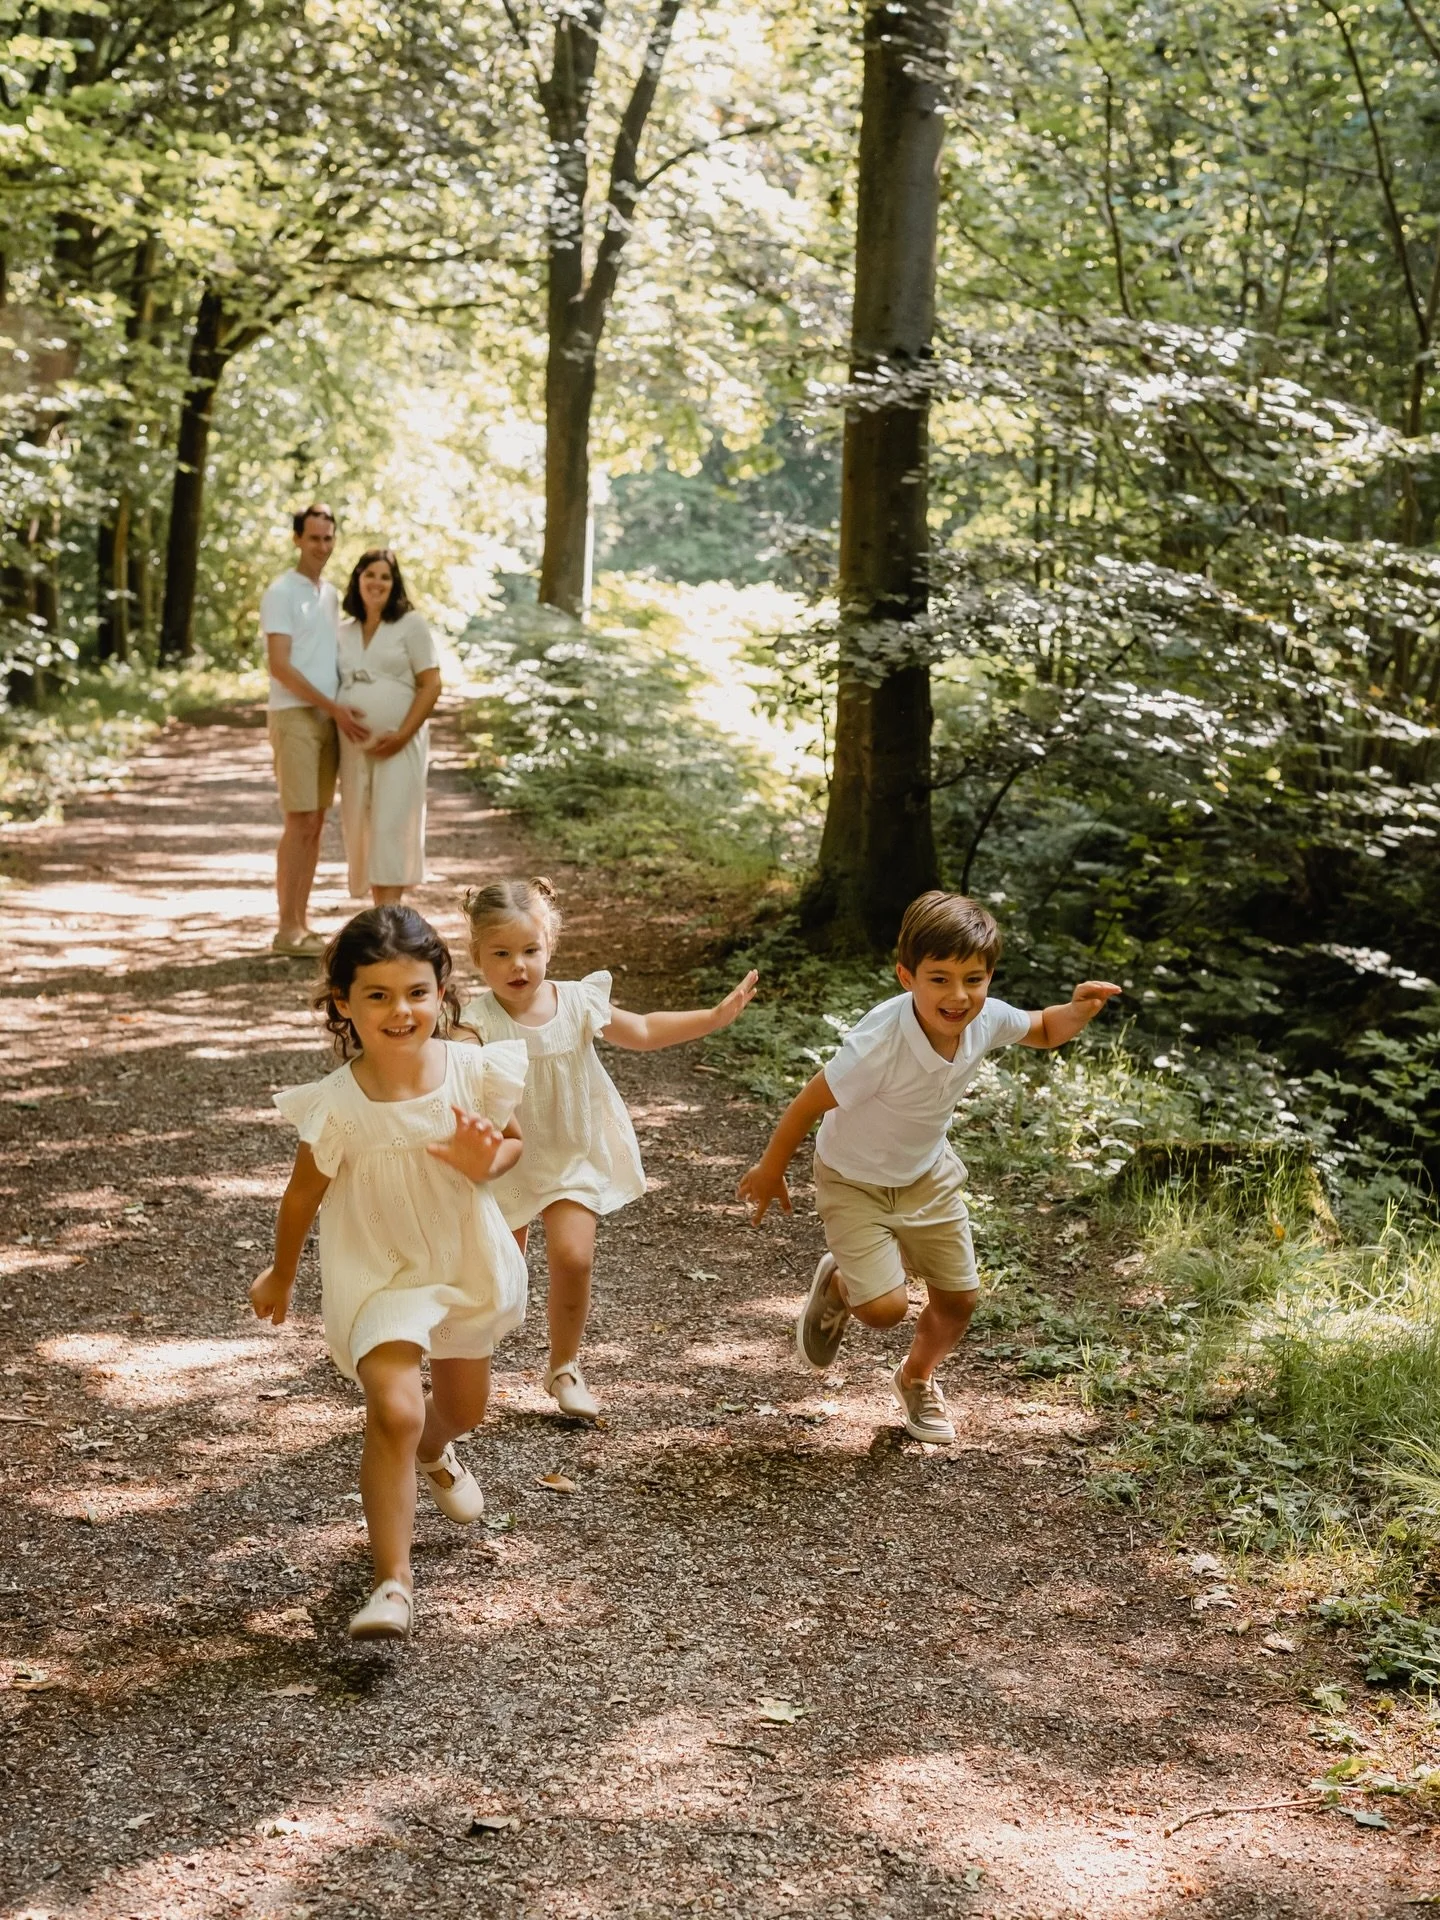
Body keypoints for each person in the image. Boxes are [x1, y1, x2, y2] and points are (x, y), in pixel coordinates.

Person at [737, 891, 1120, 1446]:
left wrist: (1078, 1010)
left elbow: (1041, 1028)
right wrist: (772, 1169)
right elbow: (806, 1104)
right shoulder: (879, 1044)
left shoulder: (985, 1017)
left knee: (960, 1298)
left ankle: (916, 1377)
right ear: (906, 976)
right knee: (884, 1310)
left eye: (974, 979)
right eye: (939, 979)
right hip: (853, 1179)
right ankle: (842, 1286)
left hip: (927, 1174)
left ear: (989, 977)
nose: (959, 995)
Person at [249, 906, 528, 1641]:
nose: (399, 1011)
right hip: (378, 1273)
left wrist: (487, 1162)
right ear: (343, 1004)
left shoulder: (474, 1071)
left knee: (460, 1409)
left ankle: (437, 1450)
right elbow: (302, 1194)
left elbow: (512, 1147)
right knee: (396, 1411)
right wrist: (280, 1274)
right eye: (377, 995)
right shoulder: (339, 1106)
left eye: (415, 992)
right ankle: (392, 1584)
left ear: (441, 992)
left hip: (462, 1258)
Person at [460, 877, 758, 1421]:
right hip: (507, 1159)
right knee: (498, 1275)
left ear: (550, 946)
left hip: (572, 1153)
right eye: (500, 953)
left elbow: (642, 1029)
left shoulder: (576, 1001)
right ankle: (465, 1365)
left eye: (530, 950)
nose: (518, 966)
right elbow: (448, 1080)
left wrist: (712, 1018)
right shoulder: (475, 1022)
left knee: (574, 1258)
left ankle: (565, 1366)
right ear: (476, 954)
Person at [261, 504, 370, 958]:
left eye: (328, 539)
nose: (322, 547)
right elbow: (280, 666)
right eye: (313, 539)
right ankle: (287, 929)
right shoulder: (282, 591)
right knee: (299, 821)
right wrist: (332, 707)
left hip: (328, 719)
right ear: (296, 540)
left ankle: (299, 924)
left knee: (315, 822)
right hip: (295, 715)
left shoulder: (328, 594)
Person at [336, 548, 441, 907]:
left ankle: (390, 916)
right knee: (361, 825)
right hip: (353, 747)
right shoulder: (344, 631)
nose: (377, 583)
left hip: (400, 742)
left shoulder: (411, 624)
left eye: (385, 576)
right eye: (370, 575)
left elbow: (431, 684)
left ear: (394, 584)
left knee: (391, 825)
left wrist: (402, 735)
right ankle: (378, 919)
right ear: (357, 580)